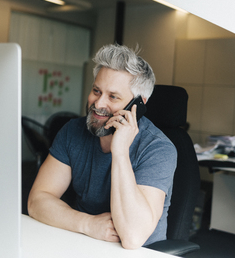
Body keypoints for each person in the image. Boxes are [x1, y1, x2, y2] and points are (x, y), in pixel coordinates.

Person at [28, 44, 177, 249]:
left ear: (138, 104)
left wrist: (120, 152)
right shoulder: (73, 131)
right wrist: (87, 223)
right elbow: (37, 201)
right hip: (85, 242)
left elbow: (133, 237)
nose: (98, 104)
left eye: (113, 97)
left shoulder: (158, 149)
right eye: (96, 91)